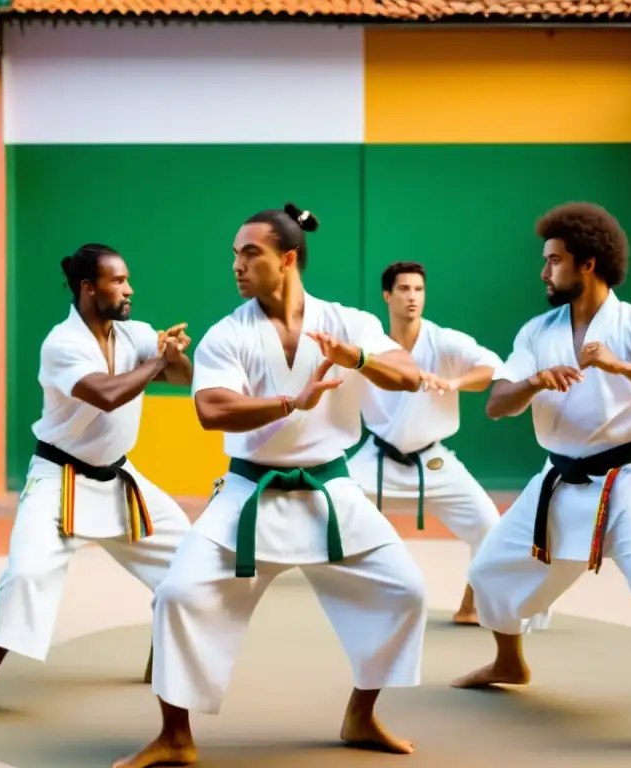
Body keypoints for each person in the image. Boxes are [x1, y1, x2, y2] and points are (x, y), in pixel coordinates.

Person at [112, 204, 427, 768]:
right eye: (234, 253)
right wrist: (291, 401)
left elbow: (407, 374)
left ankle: (361, 713)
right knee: (180, 595)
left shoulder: (347, 322)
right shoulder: (227, 334)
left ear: (286, 258)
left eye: (249, 252)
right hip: (247, 495)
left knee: (406, 591)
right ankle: (176, 736)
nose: (235, 264)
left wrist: (354, 357)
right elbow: (211, 409)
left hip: (332, 493)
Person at [451, 203, 631, 768]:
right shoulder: (537, 333)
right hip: (560, 478)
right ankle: (510, 662)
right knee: (486, 572)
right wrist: (533, 380)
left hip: (630, 480)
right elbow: (497, 406)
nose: (543, 272)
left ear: (588, 263)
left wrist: (624, 369)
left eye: (553, 261)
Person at [0, 243, 194, 724]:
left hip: (119, 478)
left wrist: (172, 355)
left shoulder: (135, 334)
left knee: (190, 565)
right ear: (89, 288)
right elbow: (106, 396)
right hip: (58, 477)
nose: (130, 289)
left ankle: (160, 654)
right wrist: (154, 363)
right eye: (118, 281)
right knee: (23, 575)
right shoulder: (62, 342)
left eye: (128, 280)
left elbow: (182, 377)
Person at [347, 260, 549, 628]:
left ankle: (471, 605)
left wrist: (453, 383)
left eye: (419, 290)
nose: (413, 297)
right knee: (323, 504)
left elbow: (490, 368)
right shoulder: (370, 346)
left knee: (489, 525)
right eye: (404, 289)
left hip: (434, 464)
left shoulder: (442, 340)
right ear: (387, 295)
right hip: (375, 461)